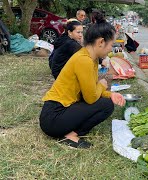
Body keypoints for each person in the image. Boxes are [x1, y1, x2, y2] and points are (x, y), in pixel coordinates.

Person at [39, 15, 126, 149]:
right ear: (101, 42)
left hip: (62, 110)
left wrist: (109, 94)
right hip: (53, 117)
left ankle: (71, 133)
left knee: (107, 103)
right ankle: (71, 136)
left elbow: (90, 90)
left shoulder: (91, 58)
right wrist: (102, 85)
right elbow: (91, 98)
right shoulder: (84, 60)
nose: (110, 49)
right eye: (111, 45)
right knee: (106, 105)